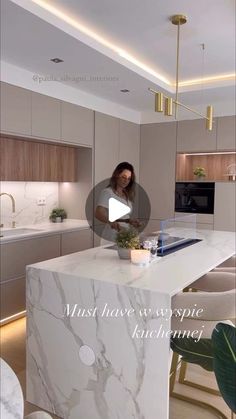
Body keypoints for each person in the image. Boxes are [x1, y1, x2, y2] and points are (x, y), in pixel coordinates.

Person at [95, 162, 141, 242]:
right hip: (112, 234)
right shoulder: (108, 192)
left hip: (125, 234)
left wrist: (129, 221)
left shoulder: (127, 194)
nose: (126, 181)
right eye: (123, 177)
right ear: (116, 176)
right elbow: (98, 213)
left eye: (129, 178)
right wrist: (111, 222)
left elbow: (122, 216)